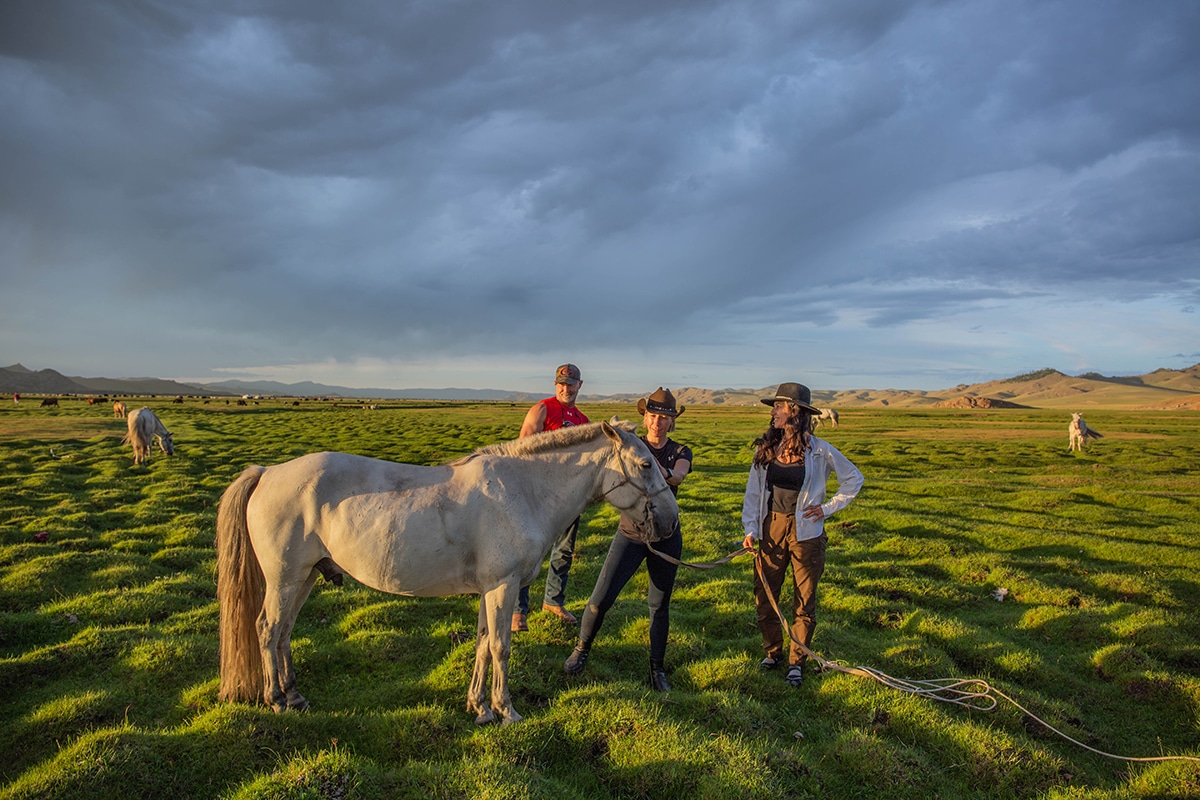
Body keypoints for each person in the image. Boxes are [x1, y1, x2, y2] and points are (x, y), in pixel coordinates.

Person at [564, 387, 692, 692]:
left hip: (665, 536)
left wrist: (651, 464)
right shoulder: (633, 447)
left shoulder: (680, 451)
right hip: (631, 534)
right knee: (601, 597)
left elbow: (677, 476)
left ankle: (656, 669)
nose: (658, 423)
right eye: (653, 416)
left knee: (659, 605)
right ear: (645, 418)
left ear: (672, 422)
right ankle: (581, 650)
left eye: (664, 418)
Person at [741, 382, 863, 687]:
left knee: (804, 599)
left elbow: (853, 479)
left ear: (794, 413)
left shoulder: (820, 450)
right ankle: (773, 652)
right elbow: (753, 494)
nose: (773, 412)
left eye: (779, 407)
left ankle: (797, 661)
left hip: (807, 532)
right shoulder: (767, 448)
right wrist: (751, 529)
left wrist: (827, 508)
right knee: (765, 593)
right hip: (771, 528)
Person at [512, 363, 590, 632]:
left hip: (568, 497)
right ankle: (518, 609)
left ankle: (553, 601)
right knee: (527, 550)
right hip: (537, 493)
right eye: (560, 384)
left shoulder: (582, 421)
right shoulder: (543, 409)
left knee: (564, 550)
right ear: (555, 385)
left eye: (570, 384)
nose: (565, 388)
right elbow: (523, 446)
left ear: (580, 385)